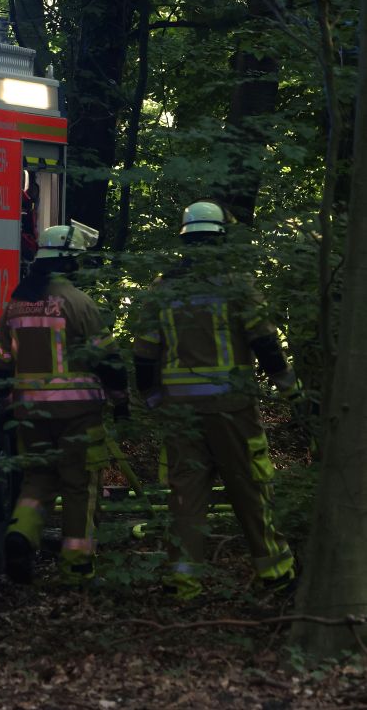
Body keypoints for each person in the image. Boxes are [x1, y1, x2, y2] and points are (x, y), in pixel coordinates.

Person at [132, 201, 299, 599]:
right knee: (251, 486)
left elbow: (143, 354)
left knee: (186, 496)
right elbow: (265, 343)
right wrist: (292, 393)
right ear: (221, 238)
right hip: (231, 409)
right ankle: (276, 574)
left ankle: (183, 581)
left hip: (180, 414)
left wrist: (154, 399)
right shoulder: (237, 284)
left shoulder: (162, 289)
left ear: (185, 239)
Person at [0, 222, 126, 585]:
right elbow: (106, 359)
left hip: (29, 413)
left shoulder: (16, 304)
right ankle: (77, 567)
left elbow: (0, 359)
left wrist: (7, 398)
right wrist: (120, 398)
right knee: (79, 486)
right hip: (77, 414)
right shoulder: (79, 303)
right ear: (69, 262)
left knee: (36, 480)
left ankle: (20, 534)